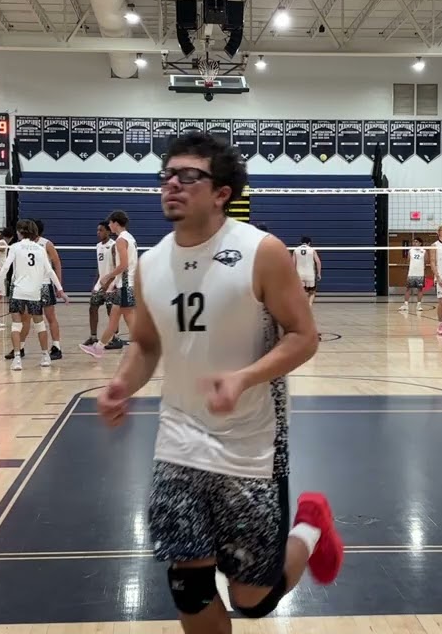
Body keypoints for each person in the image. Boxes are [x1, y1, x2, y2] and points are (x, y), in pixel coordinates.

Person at [96, 132, 343, 631]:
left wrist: (244, 378)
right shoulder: (150, 263)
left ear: (221, 193)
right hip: (178, 441)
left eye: (189, 176)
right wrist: (122, 383)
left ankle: (311, 527)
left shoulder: (261, 252)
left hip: (251, 444)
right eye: (167, 174)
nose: (172, 184)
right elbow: (146, 343)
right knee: (188, 589)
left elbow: (304, 336)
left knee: (252, 600)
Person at [0, 219, 64, 370]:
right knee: (40, 324)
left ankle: (17, 359)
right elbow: (50, 270)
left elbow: (5, 269)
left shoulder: (15, 247)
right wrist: (60, 289)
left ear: (20, 232)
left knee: (16, 325)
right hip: (35, 291)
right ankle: (45, 356)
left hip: (19, 291)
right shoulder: (40, 248)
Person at [81, 209, 138, 357]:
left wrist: (108, 277)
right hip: (124, 285)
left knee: (129, 319)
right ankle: (98, 348)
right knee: (114, 320)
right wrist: (113, 285)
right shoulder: (130, 238)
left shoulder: (121, 240)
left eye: (110, 223)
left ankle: (143, 348)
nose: (109, 226)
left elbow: (123, 265)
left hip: (126, 285)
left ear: (116, 223)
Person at [34, 220, 66, 360]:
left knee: (50, 317)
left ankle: (56, 347)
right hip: (30, 287)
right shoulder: (24, 245)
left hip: (45, 285)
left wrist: (59, 286)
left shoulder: (46, 244)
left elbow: (57, 263)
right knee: (25, 318)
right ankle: (19, 348)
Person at [86, 220, 118, 347]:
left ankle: (115, 338)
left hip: (112, 283)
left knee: (111, 311)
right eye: (97, 230)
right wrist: (95, 284)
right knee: (92, 307)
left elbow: (117, 267)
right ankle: (93, 337)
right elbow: (100, 267)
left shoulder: (114, 246)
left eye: (101, 230)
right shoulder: (98, 246)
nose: (98, 232)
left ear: (108, 232)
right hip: (101, 283)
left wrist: (109, 283)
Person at [399, 235, 426, 313]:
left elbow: (425, 261)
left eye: (416, 242)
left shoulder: (424, 251)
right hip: (411, 273)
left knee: (420, 289)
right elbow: (408, 260)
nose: (415, 243)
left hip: (420, 273)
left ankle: (419, 305)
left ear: (420, 243)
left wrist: (423, 270)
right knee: (408, 289)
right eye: (414, 242)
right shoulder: (411, 251)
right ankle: (405, 305)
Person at [293, 236, 322, 304]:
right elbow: (318, 262)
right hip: (310, 274)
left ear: (301, 242)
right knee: (312, 292)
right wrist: (319, 273)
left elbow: (292, 263)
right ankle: (309, 305)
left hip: (299, 274)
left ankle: (303, 306)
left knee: (302, 292)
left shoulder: (295, 250)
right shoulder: (312, 250)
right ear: (309, 243)